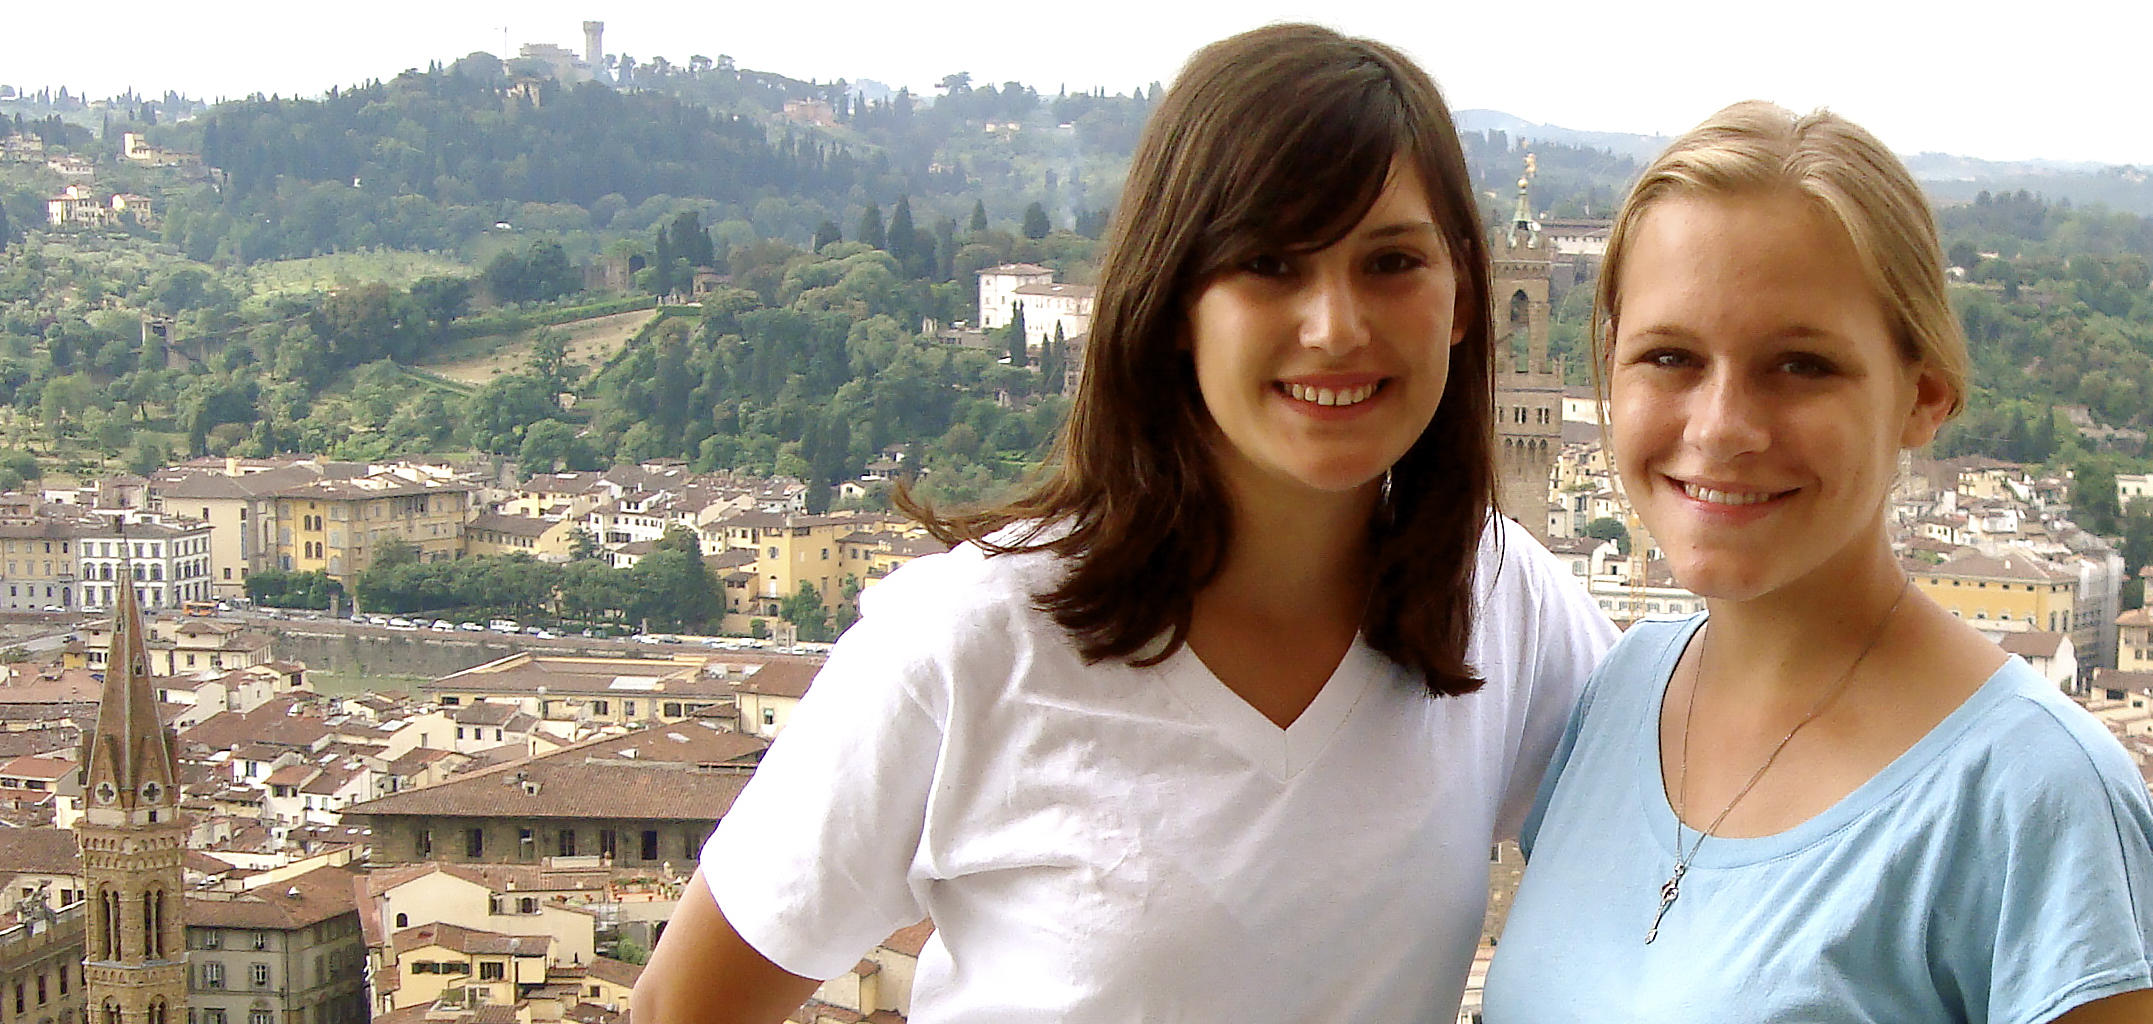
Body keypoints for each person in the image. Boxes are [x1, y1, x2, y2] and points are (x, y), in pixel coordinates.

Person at [630, 24, 1616, 1024]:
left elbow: (1706, 834)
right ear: (1176, 298)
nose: (1336, 326)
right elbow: (684, 1004)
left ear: (1459, 297)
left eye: (1391, 261)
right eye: (1270, 262)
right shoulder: (969, 637)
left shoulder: (1504, 603)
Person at [1482, 101, 2153, 1023]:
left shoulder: (2042, 805)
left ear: (1924, 395)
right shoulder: (1618, 696)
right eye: (1670, 357)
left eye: (1801, 365)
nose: (1721, 427)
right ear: (1611, 372)